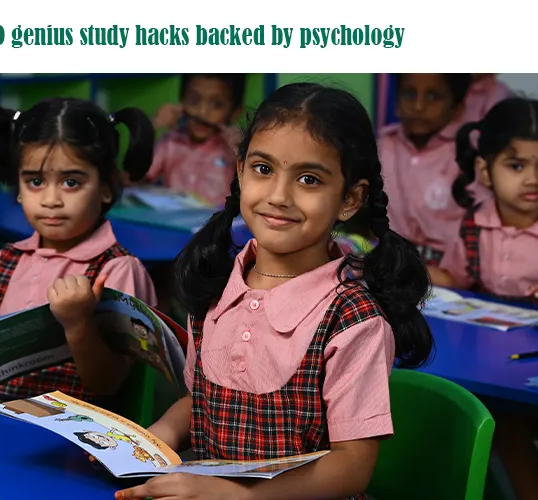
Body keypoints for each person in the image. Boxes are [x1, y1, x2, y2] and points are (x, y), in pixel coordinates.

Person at [114, 82, 434, 500]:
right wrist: (148, 443)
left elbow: (351, 468)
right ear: (241, 170)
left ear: (350, 200)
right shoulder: (214, 285)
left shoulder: (352, 321)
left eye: (309, 179)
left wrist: (240, 496)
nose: (279, 197)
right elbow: (202, 405)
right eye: (263, 169)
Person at [0, 98, 158, 405]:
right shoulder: (2, 263)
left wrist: (79, 324)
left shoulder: (117, 270)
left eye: (71, 182)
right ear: (19, 189)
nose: (51, 199)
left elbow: (108, 383)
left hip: (80, 440)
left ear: (106, 187)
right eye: (35, 181)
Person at [429, 97, 538, 500]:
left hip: (533, 371)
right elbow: (456, 281)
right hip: (489, 364)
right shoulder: (475, 226)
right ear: (485, 170)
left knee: (510, 429)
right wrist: (410, 269)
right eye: (517, 166)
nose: (533, 179)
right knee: (467, 421)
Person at [379, 73, 473, 266]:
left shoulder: (467, 154)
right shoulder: (383, 144)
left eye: (433, 97)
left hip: (444, 268)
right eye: (409, 94)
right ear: (396, 99)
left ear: (457, 108)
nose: (418, 107)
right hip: (385, 255)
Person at [144, 74, 246, 207]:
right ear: (181, 101)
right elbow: (134, 180)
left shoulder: (233, 149)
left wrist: (244, 150)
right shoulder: (170, 142)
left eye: (217, 105)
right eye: (194, 100)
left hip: (219, 224)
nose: (202, 113)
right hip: (174, 224)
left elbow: (256, 188)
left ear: (235, 113)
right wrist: (150, 127)